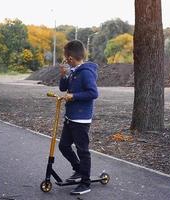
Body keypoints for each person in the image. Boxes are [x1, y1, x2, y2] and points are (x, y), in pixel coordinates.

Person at [58, 40, 98, 195]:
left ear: (70, 58)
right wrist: (63, 75)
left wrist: (73, 96)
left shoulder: (86, 72)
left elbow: (93, 93)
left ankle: (85, 183)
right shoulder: (74, 71)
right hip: (71, 117)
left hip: (81, 120)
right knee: (64, 146)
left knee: (83, 150)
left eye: (65, 57)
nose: (65, 60)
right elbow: (63, 88)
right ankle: (79, 169)